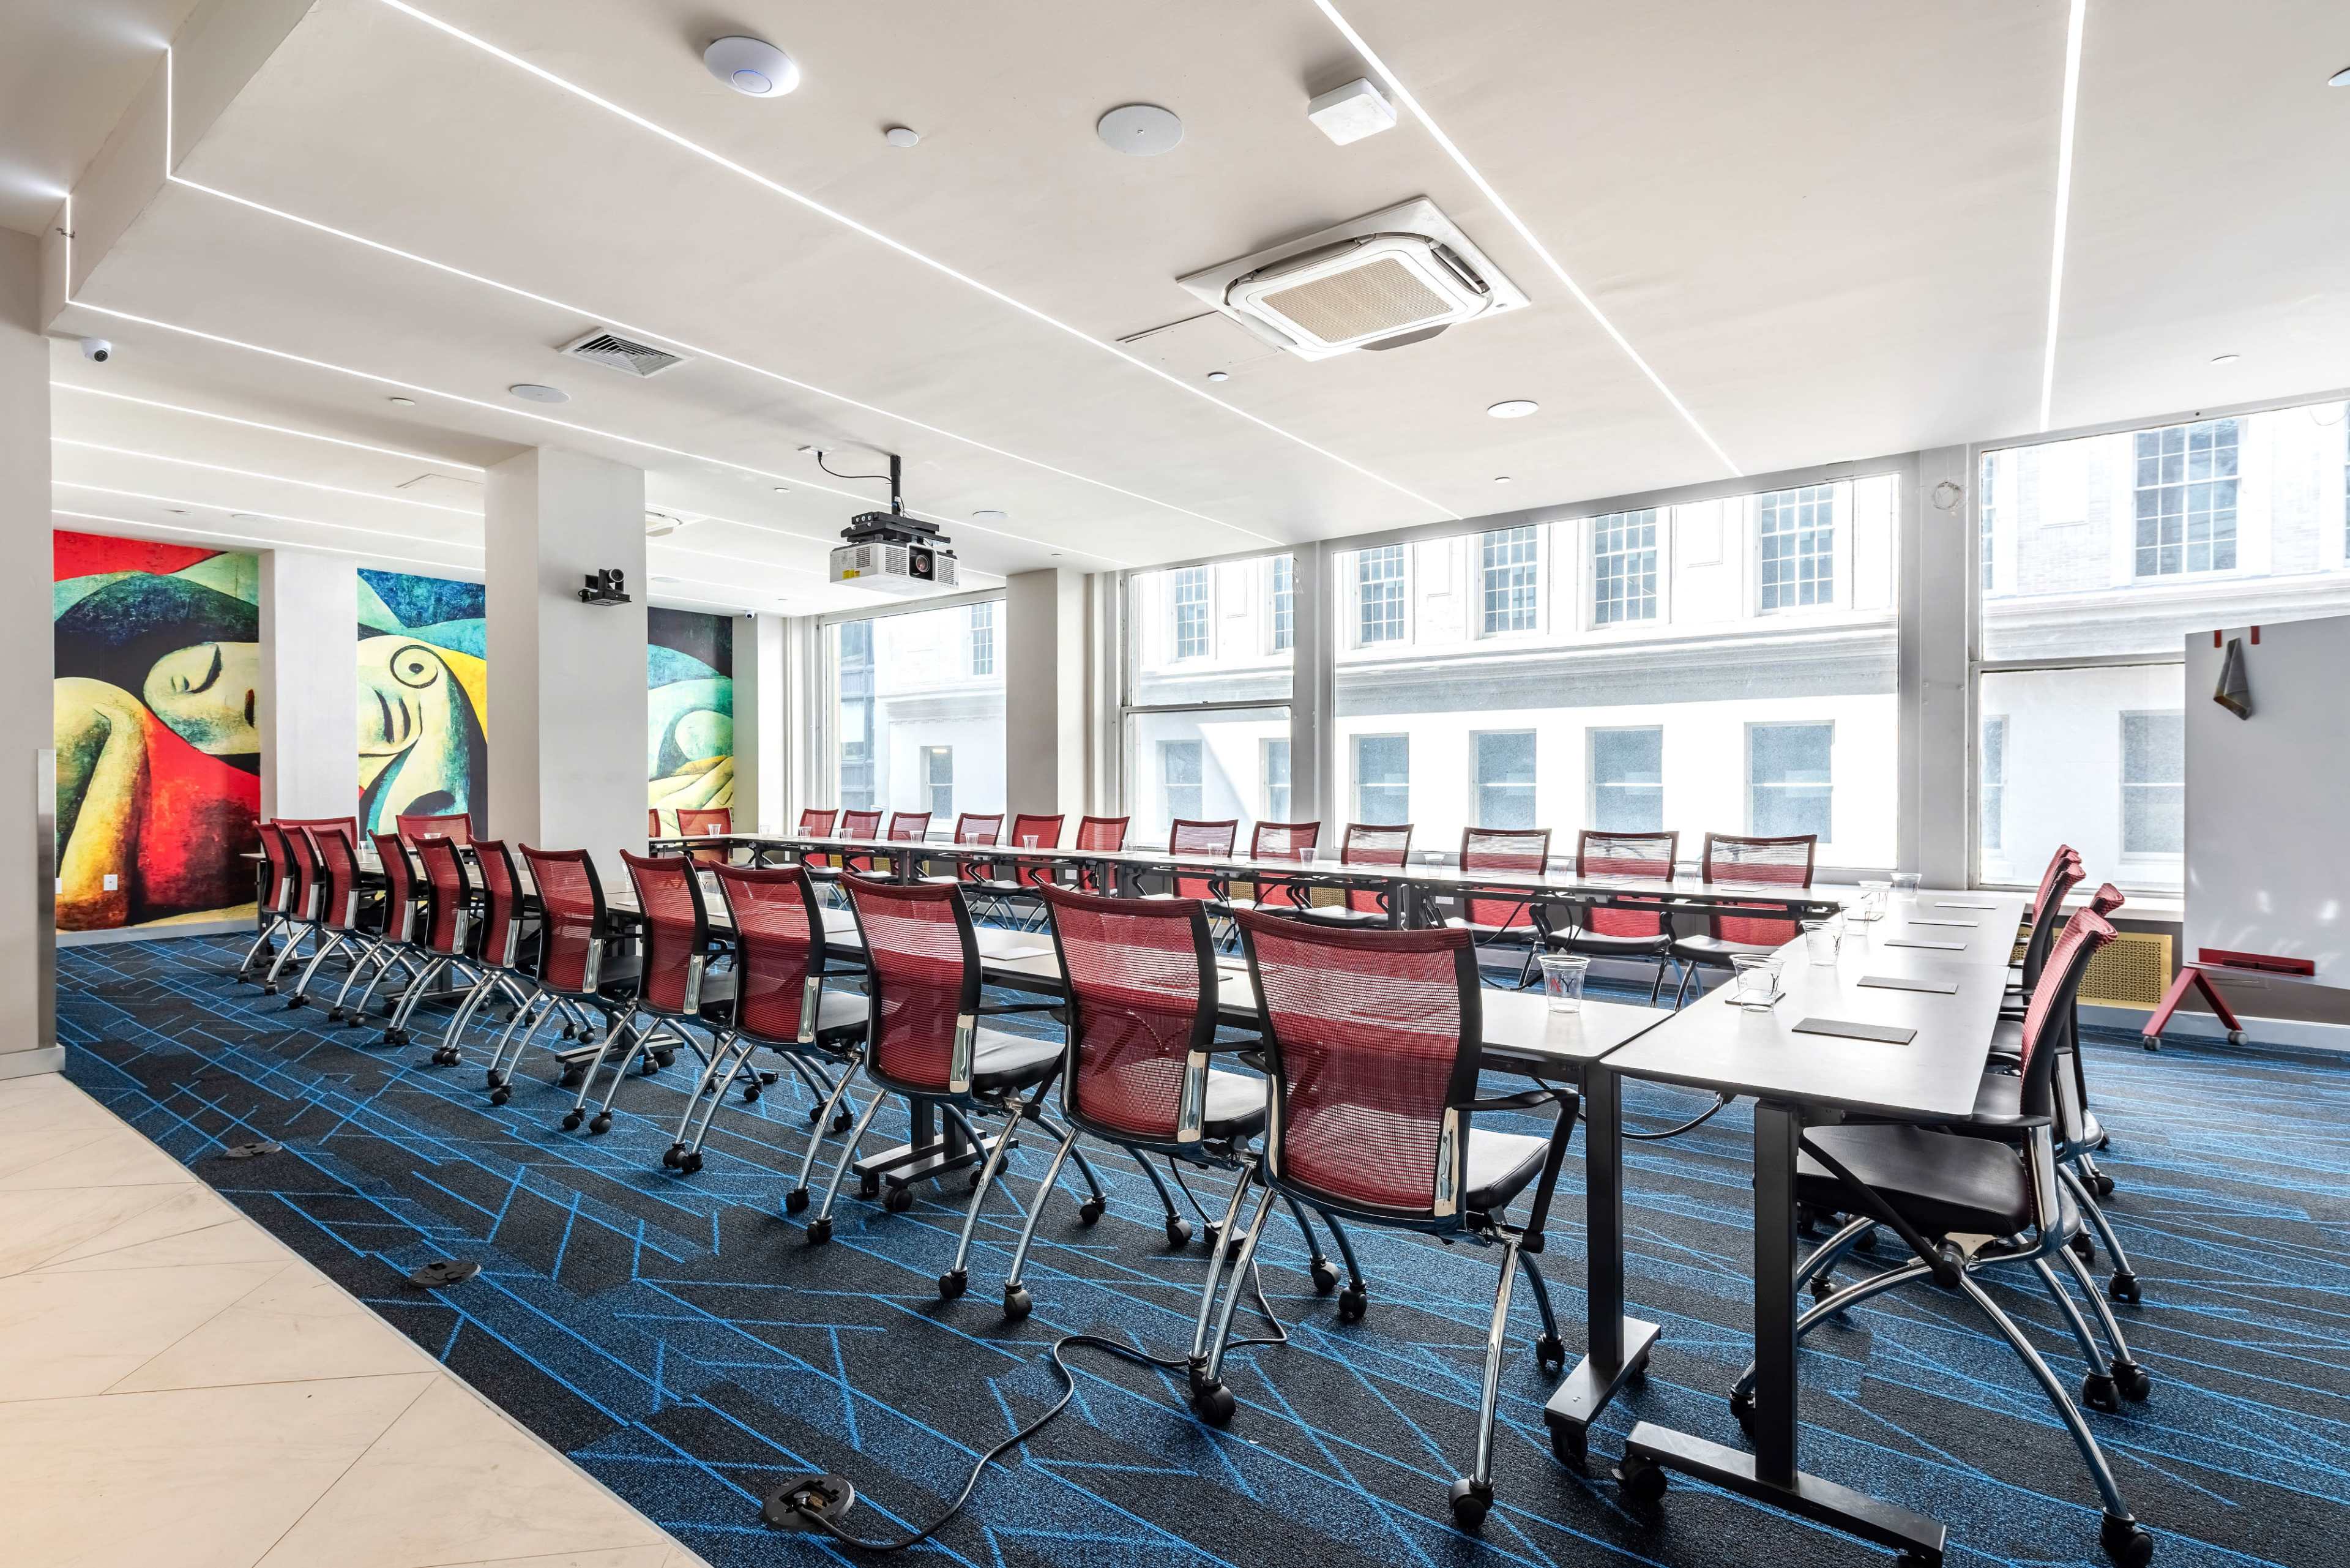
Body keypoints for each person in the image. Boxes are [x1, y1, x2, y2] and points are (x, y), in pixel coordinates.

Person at [53, 566, 261, 931]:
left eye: (203, 676)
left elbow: (86, 906)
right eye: (188, 729)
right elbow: (85, 906)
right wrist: (124, 726)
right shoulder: (102, 710)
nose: (223, 707)